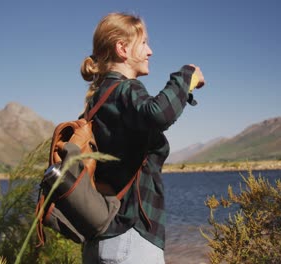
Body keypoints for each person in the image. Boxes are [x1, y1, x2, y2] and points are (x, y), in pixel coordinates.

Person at [79, 12, 205, 264]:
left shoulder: (98, 100)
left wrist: (186, 91)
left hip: (99, 238)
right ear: (122, 48)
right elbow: (158, 113)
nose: (150, 51)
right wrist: (187, 75)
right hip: (130, 235)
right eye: (144, 42)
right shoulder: (126, 89)